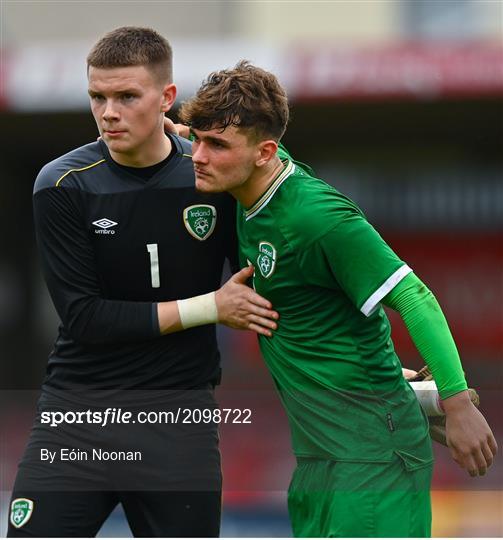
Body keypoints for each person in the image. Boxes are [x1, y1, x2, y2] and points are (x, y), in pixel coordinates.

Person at [178, 61, 498, 537]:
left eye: (215, 145)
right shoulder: (248, 182)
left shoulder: (319, 218)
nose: (198, 156)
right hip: (319, 461)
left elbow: (417, 298)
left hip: (371, 459)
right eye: (196, 140)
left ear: (266, 152)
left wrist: (456, 405)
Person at [7, 29, 279, 538]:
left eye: (128, 96)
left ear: (167, 98)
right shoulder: (63, 184)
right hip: (79, 414)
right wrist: (211, 308)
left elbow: (273, 284)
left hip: (180, 421)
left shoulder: (208, 176)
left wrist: (371, 367)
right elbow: (86, 319)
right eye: (98, 97)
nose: (109, 112)